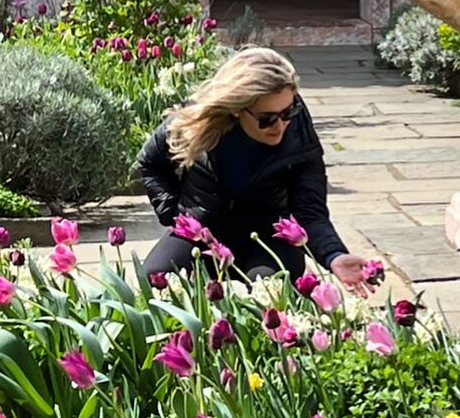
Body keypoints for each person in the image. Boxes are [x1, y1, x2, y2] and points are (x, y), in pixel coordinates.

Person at [137, 45, 371, 289]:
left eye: (289, 111)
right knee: (157, 279)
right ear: (238, 108)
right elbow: (150, 162)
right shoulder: (197, 120)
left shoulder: (298, 134)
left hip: (268, 233)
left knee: (268, 290)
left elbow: (309, 209)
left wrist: (334, 255)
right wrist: (174, 214)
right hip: (203, 229)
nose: (280, 125)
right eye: (267, 118)